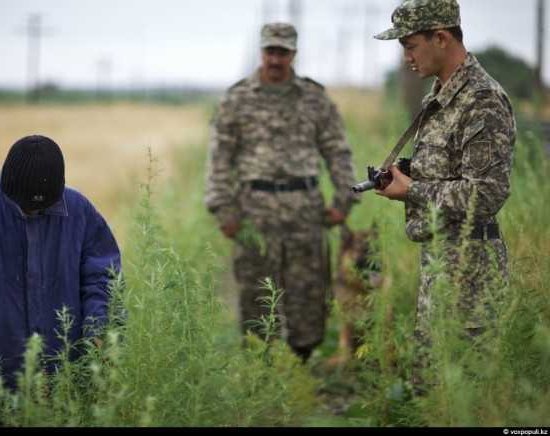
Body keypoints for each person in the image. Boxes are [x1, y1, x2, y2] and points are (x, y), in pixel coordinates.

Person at [372, 0, 516, 395]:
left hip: (470, 270)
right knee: (430, 391)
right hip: (442, 263)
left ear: (440, 38)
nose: (406, 58)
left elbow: (486, 193)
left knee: (461, 396)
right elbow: (451, 172)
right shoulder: (441, 97)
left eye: (410, 45)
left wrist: (412, 189)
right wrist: (407, 175)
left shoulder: (481, 99)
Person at [204, 22, 360, 362]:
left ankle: (302, 359)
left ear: (294, 53)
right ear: (261, 51)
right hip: (253, 209)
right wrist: (223, 209)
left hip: (304, 208)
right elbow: (220, 158)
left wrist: (345, 199)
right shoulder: (236, 99)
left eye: (283, 52)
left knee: (307, 290)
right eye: (270, 51)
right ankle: (260, 366)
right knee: (255, 291)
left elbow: (337, 151)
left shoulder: (315, 98)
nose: (276, 59)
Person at [0, 134, 122, 391]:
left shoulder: (80, 212)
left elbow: (104, 282)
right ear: (9, 187)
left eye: (43, 208)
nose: (34, 213)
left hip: (69, 387)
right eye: (25, 206)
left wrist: (101, 343)